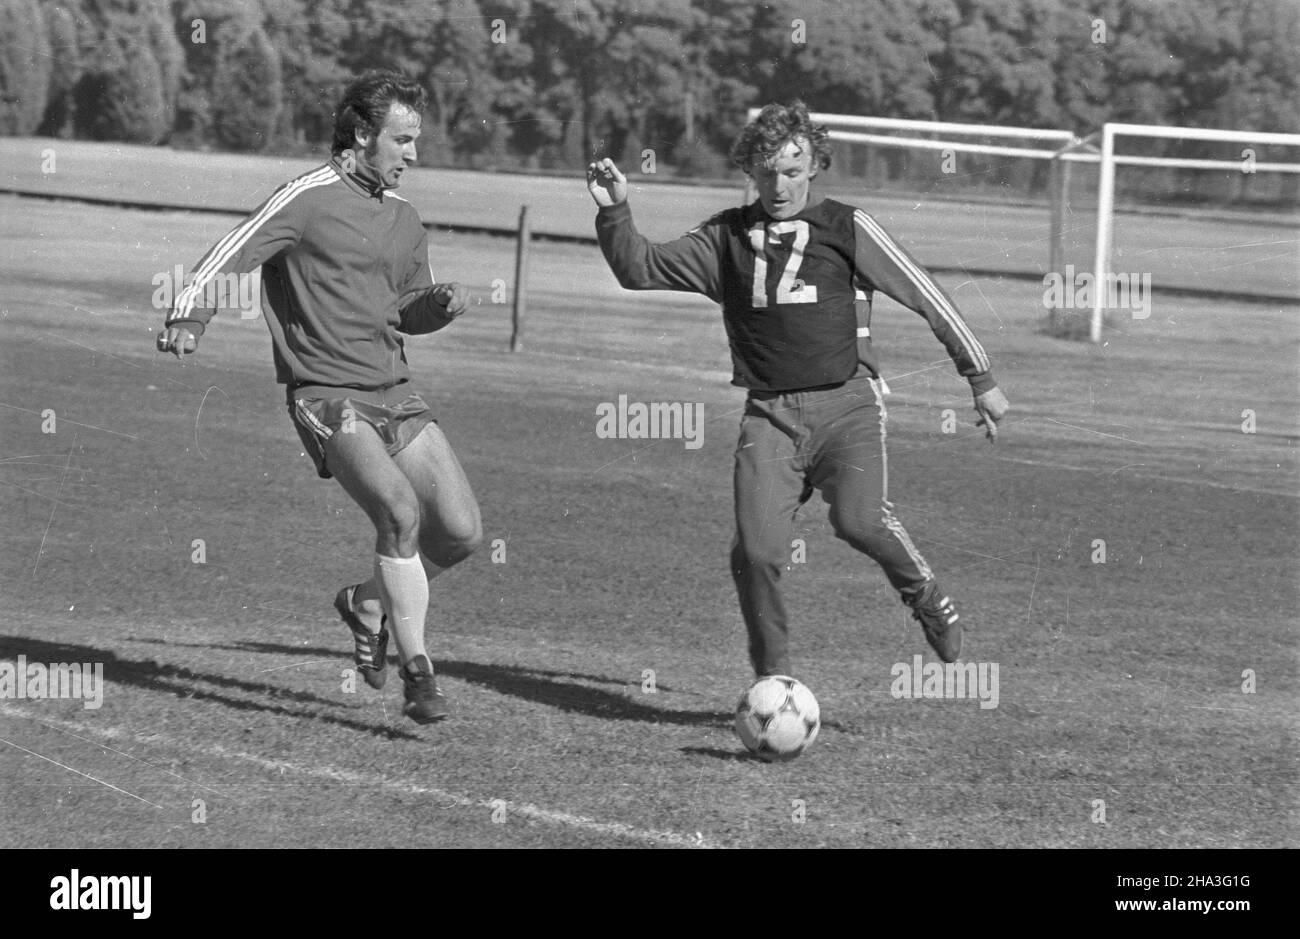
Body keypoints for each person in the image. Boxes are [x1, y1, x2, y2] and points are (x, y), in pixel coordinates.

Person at [586, 101, 1009, 678]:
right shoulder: (725, 237)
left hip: (848, 407)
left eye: (792, 170)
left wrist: (979, 378)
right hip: (770, 416)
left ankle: (926, 596)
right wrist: (616, 212)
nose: (779, 185)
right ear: (749, 172)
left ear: (814, 167)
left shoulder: (848, 226)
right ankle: (773, 679)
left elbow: (926, 295)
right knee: (756, 553)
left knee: (859, 522)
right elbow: (640, 269)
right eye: (765, 171)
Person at [156, 70, 482, 724]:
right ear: (363, 133)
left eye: (416, 142)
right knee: (398, 512)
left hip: (396, 392)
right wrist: (189, 316)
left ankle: (367, 602)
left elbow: (405, 310)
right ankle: (419, 672)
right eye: (403, 140)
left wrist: (438, 305)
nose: (413, 156)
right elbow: (237, 251)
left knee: (461, 533)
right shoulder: (308, 196)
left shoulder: (404, 218)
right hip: (329, 394)